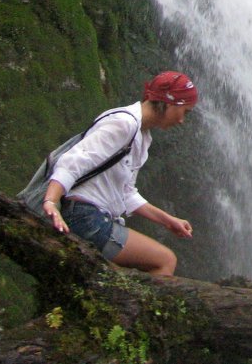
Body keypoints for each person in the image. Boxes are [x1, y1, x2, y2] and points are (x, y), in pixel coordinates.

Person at [41, 71, 197, 275]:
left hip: (93, 217)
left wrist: (168, 221)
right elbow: (74, 160)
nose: (182, 121)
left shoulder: (142, 135)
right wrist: (50, 201)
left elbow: (126, 193)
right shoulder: (125, 124)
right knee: (165, 260)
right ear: (169, 102)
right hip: (85, 217)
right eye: (185, 111)